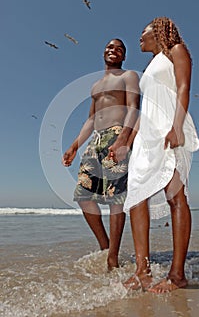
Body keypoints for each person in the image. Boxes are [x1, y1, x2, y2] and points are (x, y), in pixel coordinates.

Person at [123, 17, 199, 293]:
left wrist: (176, 126)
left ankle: (177, 275)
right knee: (136, 197)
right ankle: (142, 272)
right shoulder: (151, 65)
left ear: (157, 31)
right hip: (147, 136)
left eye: (143, 32)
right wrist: (129, 142)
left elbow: (183, 88)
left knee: (175, 196)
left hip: (169, 128)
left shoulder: (176, 50)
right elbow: (146, 109)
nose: (139, 37)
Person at [62, 39, 140, 270]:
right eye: (109, 47)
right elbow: (91, 119)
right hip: (96, 141)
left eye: (118, 48)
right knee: (84, 195)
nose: (112, 50)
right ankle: (105, 247)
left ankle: (113, 257)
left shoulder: (129, 76)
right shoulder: (95, 86)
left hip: (117, 136)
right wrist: (75, 145)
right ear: (103, 51)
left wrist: (123, 140)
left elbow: (134, 108)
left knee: (116, 199)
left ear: (123, 56)